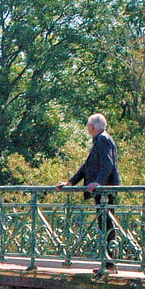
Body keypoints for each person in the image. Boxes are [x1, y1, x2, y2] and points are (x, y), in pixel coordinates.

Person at [56, 113, 121, 273]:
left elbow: (108, 164)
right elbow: (87, 167)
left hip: (105, 190)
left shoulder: (102, 139)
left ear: (92, 127)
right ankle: (107, 264)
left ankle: (109, 264)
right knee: (104, 223)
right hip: (103, 190)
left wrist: (98, 182)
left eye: (88, 125)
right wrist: (70, 182)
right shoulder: (100, 140)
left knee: (106, 224)